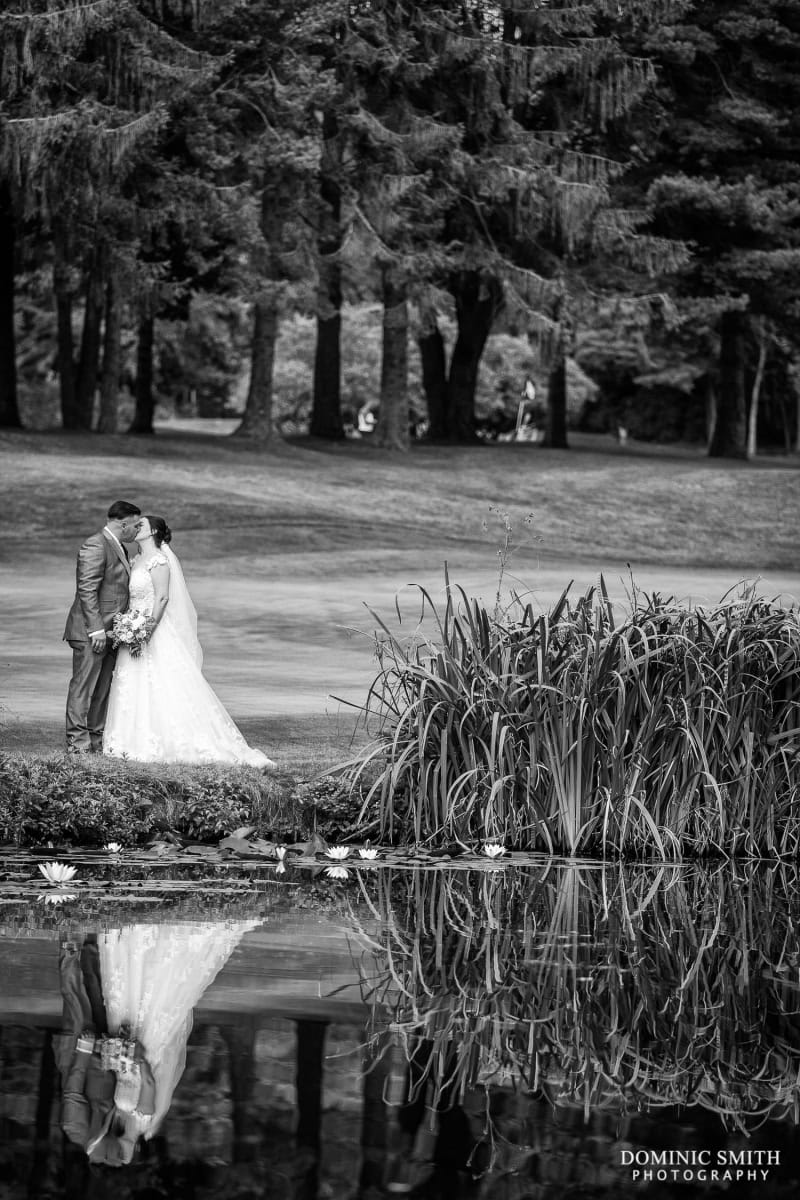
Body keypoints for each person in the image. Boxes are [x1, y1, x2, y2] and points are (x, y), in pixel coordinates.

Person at [103, 515, 274, 766]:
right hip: (134, 628)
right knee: (134, 682)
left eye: (142, 525)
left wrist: (146, 630)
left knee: (163, 683)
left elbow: (162, 598)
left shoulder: (160, 560)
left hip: (153, 629)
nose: (136, 528)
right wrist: (130, 626)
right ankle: (129, 741)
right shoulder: (137, 560)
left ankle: (175, 741)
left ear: (154, 532)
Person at [64, 501, 142, 754]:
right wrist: (96, 629)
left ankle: (96, 740)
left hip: (113, 632)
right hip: (91, 632)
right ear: (123, 524)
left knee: (102, 689)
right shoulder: (96, 544)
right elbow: (87, 589)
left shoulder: (119, 546)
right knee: (83, 687)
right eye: (135, 525)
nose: (137, 530)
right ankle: (77, 744)